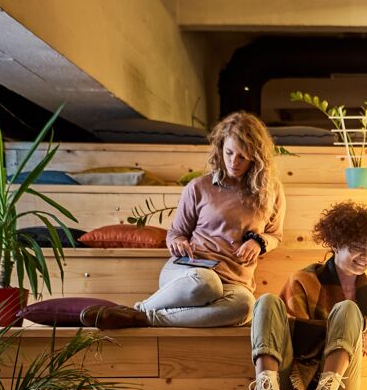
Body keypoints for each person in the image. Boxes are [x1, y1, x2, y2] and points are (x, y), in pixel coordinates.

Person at [80, 112, 285, 329]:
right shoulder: (199, 187)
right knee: (208, 284)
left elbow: (275, 235)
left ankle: (141, 316)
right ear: (220, 148)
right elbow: (175, 233)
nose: (234, 162)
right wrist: (177, 242)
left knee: (244, 307)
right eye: (229, 153)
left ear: (256, 157)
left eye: (242, 156)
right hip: (189, 273)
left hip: (235, 281)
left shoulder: (271, 192)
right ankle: (141, 310)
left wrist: (258, 242)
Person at [248, 201, 367, 390]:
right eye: (358, 248)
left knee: (348, 309)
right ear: (335, 243)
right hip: (294, 378)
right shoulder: (304, 280)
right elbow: (296, 338)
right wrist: (356, 336)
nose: (366, 257)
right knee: (266, 301)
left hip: (339, 385)